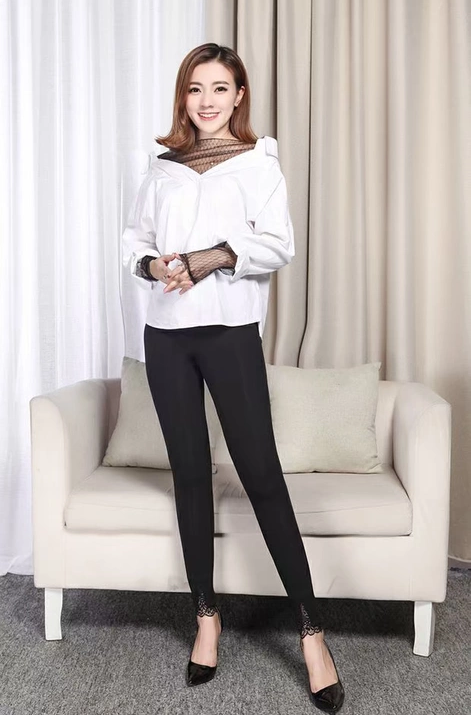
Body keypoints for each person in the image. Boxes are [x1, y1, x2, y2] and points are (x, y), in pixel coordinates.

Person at [122, 42, 345, 712]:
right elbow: (133, 241)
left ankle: (311, 632)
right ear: (183, 96)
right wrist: (154, 265)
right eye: (196, 88)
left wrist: (212, 256)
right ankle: (206, 618)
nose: (207, 101)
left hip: (229, 333)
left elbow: (278, 243)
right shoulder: (160, 167)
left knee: (261, 475)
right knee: (190, 475)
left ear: (239, 95)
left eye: (219, 88)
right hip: (166, 336)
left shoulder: (257, 163)